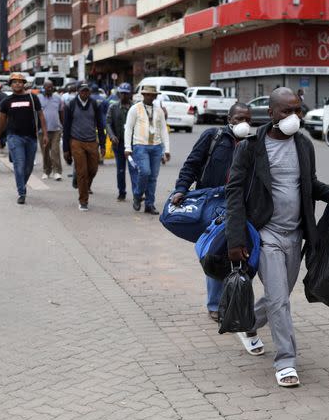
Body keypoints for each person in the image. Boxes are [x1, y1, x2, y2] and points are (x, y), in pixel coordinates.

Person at [226, 87, 329, 387]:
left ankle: (248, 323)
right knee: (280, 299)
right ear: (270, 114)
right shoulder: (251, 147)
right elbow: (234, 193)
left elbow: (308, 183)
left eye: (297, 110)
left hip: (296, 235)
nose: (293, 116)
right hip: (266, 234)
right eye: (286, 111)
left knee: (276, 298)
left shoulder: (304, 145)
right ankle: (286, 362)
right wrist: (235, 240)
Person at [171, 102, 253, 322]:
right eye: (239, 119)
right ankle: (215, 305)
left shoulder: (252, 144)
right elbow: (192, 164)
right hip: (214, 205)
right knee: (217, 253)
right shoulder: (213, 137)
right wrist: (181, 189)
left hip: (241, 207)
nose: (243, 124)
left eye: (247, 120)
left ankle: (236, 300)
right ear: (229, 119)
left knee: (243, 253)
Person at [0, 72, 49, 205]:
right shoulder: (6, 101)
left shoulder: (32, 98)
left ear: (24, 84)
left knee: (29, 167)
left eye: (20, 82)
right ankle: (21, 192)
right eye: (14, 82)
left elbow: (41, 116)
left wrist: (45, 134)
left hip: (31, 137)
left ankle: (21, 184)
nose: (17, 84)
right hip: (14, 137)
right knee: (19, 166)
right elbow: (2, 121)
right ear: (11, 85)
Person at [123, 85, 170, 214]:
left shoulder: (159, 110)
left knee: (153, 177)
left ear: (155, 96)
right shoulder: (135, 109)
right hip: (140, 146)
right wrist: (127, 147)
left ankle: (149, 204)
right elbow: (128, 129)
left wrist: (167, 150)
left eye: (153, 95)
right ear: (143, 95)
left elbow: (163, 130)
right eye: (148, 94)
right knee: (145, 172)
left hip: (156, 146)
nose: (150, 97)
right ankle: (137, 195)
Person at [63, 82, 106, 211]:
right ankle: (83, 201)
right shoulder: (70, 105)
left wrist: (102, 145)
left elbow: (100, 125)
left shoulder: (94, 105)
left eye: (87, 91)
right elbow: (66, 128)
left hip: (92, 141)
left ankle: (81, 183)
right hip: (76, 141)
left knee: (92, 169)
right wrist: (66, 148)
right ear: (78, 91)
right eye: (82, 91)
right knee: (82, 171)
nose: (85, 93)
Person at [106, 83, 138, 201]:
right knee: (120, 169)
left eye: (126, 93)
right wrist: (112, 136)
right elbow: (108, 123)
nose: (123, 95)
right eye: (122, 93)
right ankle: (122, 192)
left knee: (134, 169)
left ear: (130, 94)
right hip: (119, 144)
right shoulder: (113, 107)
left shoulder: (135, 108)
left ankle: (136, 194)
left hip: (132, 144)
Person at [38, 80, 65, 181]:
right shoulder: (39, 98)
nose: (49, 89)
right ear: (43, 88)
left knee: (55, 151)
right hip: (42, 131)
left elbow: (61, 112)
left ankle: (57, 171)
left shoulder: (58, 98)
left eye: (51, 87)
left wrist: (63, 125)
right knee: (45, 152)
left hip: (56, 129)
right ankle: (46, 171)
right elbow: (36, 114)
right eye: (47, 87)